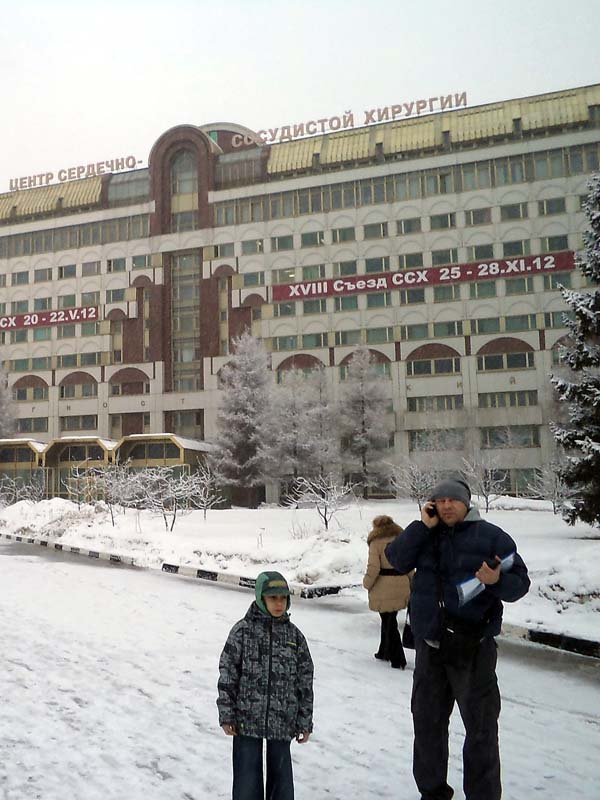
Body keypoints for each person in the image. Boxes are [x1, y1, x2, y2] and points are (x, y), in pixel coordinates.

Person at [385, 478, 530, 800]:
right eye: (441, 500)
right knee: (427, 726)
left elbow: (520, 585)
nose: (447, 505)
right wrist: (421, 526)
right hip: (431, 647)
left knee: (480, 731)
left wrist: (497, 581)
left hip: (473, 650)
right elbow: (396, 559)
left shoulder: (491, 537)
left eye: (454, 500)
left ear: (467, 503)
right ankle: (432, 793)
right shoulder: (424, 534)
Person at [217, 571, 314, 800]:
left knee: (281, 782)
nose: (279, 603)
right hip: (246, 721)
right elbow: (228, 673)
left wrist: (304, 720)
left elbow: (305, 679)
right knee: (246, 781)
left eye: (283, 598)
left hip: (283, 721)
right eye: (273, 598)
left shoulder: (294, 636)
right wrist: (227, 713)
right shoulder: (243, 631)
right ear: (261, 598)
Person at [362, 514, 411, 669]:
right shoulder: (402, 540)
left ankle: (398, 658)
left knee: (389, 622)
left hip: (384, 585)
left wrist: (367, 583)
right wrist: (412, 581)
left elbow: (374, 568)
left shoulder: (375, 543)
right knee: (389, 619)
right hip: (402, 582)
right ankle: (384, 651)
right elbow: (409, 563)